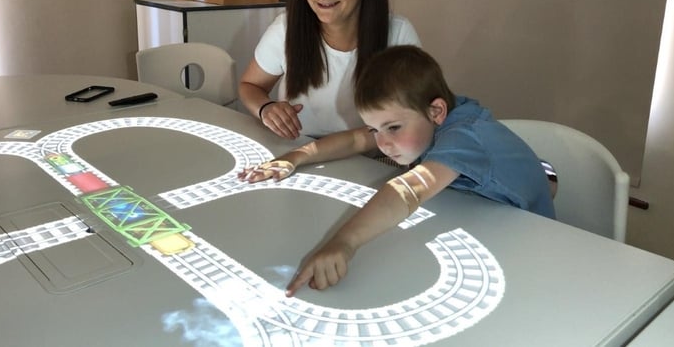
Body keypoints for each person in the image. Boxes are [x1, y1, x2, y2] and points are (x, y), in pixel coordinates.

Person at [238, 45, 555, 296]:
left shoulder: (465, 136)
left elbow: (407, 191)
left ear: (437, 111)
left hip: (531, 241)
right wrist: (295, 157)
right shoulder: (423, 117)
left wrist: (344, 242)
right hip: (482, 219)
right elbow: (355, 139)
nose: (383, 142)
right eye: (376, 128)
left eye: (392, 128)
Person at [238, 0, 421, 140]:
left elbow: (411, 121)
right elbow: (249, 85)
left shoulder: (399, 36)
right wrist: (266, 108)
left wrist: (318, 152)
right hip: (299, 151)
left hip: (371, 158)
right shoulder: (286, 28)